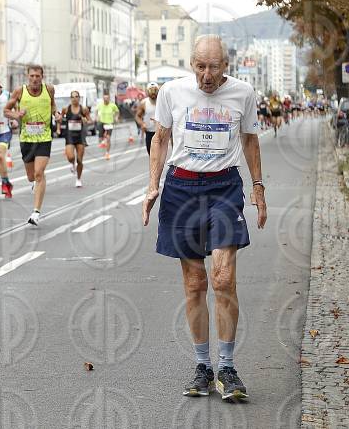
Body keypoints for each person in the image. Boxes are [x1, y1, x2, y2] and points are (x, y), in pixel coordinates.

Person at [142, 35, 267, 401]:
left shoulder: (243, 93)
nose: (206, 76)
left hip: (224, 187)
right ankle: (202, 367)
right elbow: (160, 139)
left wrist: (258, 189)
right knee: (195, 283)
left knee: (223, 278)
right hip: (181, 188)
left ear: (226, 66)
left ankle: (227, 367)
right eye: (200, 66)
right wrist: (152, 186)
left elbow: (250, 141)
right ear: (191, 64)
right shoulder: (171, 93)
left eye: (213, 67)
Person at [4, 64, 59, 225]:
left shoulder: (49, 89)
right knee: (31, 177)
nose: (35, 79)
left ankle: (36, 212)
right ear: (28, 76)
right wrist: (16, 114)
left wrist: (56, 113)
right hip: (26, 138)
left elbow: (52, 104)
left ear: (42, 77)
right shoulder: (19, 91)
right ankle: (36, 183)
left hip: (44, 137)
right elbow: (6, 110)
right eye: (32, 76)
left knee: (39, 173)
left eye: (38, 76)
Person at [59, 91, 91, 187]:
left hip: (80, 136)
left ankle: (78, 179)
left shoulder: (84, 109)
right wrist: (57, 127)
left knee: (80, 160)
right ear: (70, 98)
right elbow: (59, 119)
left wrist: (86, 120)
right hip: (70, 135)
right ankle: (72, 164)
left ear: (79, 98)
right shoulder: (66, 109)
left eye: (76, 96)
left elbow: (90, 120)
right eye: (72, 97)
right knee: (71, 157)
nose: (74, 98)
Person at [135, 83, 159, 155]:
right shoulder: (144, 103)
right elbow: (137, 116)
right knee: (151, 154)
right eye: (151, 91)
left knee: (159, 156)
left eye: (155, 91)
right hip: (149, 132)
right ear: (147, 92)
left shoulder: (162, 101)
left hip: (160, 132)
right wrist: (142, 124)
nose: (153, 93)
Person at [96, 92, 119, 160]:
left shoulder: (112, 105)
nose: (105, 100)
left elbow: (117, 111)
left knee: (108, 138)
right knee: (100, 139)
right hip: (101, 122)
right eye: (104, 98)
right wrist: (97, 117)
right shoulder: (100, 105)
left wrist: (116, 117)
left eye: (107, 98)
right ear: (103, 99)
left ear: (109, 99)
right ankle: (103, 140)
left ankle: (107, 153)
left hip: (109, 123)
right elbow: (96, 111)